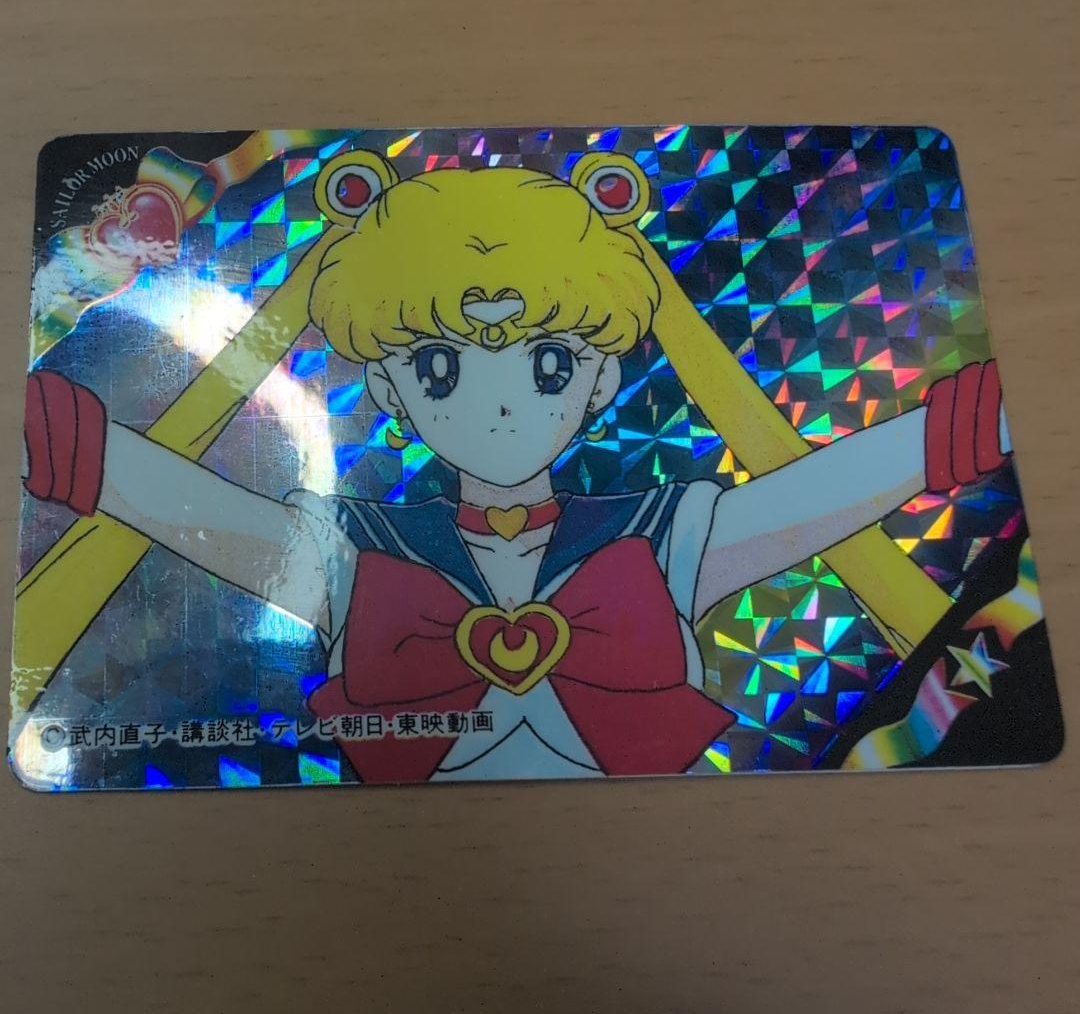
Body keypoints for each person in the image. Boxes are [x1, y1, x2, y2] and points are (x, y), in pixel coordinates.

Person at [22, 149, 1010, 783]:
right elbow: (200, 514)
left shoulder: (656, 537)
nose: (499, 404)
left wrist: (958, 431)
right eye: (440, 369)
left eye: (548, 366)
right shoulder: (353, 554)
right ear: (395, 391)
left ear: (596, 382)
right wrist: (79, 450)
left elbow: (809, 500)